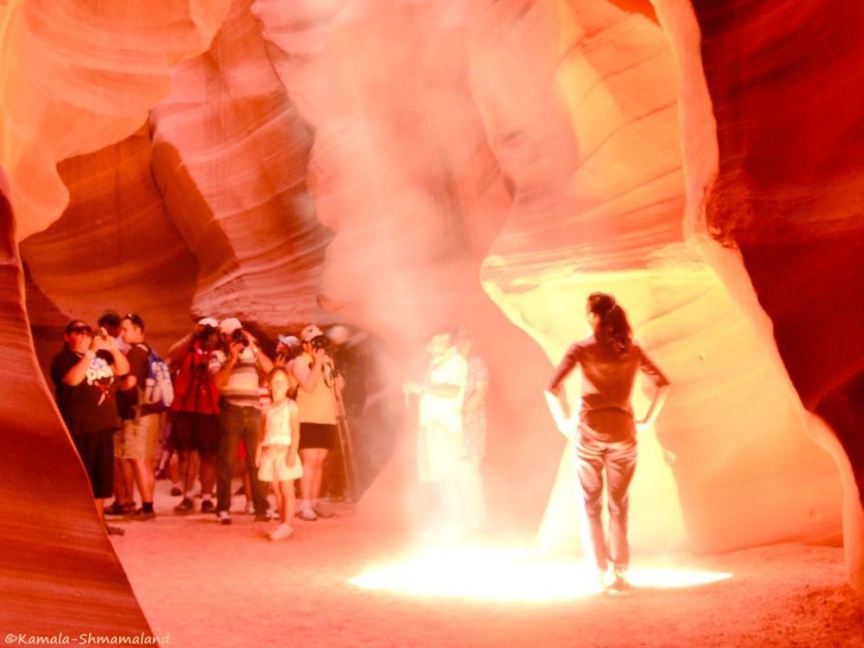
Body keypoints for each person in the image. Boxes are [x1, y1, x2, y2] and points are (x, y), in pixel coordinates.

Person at [546, 292, 670, 593]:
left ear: (592, 316)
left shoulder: (581, 348)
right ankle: (620, 571)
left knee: (591, 504)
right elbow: (663, 384)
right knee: (619, 504)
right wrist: (647, 421)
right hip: (623, 433)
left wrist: (563, 423)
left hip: (589, 432)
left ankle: (600, 571)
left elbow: (551, 388)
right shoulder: (632, 349)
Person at [51, 319, 130, 535]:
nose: (84, 335)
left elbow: (123, 369)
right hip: (81, 427)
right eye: (77, 331)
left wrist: (112, 348)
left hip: (104, 425)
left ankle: (99, 523)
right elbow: (73, 380)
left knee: (101, 478)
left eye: (87, 332)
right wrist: (90, 353)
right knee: (83, 479)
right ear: (67, 336)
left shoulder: (101, 358)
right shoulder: (63, 359)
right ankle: (82, 525)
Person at [404, 329, 469, 536]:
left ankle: (455, 522)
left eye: (431, 343)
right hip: (430, 424)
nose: (428, 347)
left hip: (444, 425)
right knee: (436, 476)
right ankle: (444, 520)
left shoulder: (456, 362)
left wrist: (421, 389)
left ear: (444, 340)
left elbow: (453, 391)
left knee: (447, 475)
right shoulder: (436, 362)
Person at [212, 317, 273, 525]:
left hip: (253, 410)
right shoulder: (218, 355)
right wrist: (232, 358)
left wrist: (254, 346)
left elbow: (270, 370)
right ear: (223, 336)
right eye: (232, 334)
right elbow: (218, 383)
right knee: (227, 462)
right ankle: (223, 508)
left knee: (256, 461)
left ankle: (261, 508)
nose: (236, 337)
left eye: (238, 332)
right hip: (231, 411)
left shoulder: (251, 354)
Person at [165, 317, 222, 514]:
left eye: (213, 332)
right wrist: (192, 335)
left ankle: (206, 498)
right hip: (186, 408)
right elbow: (171, 355)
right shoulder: (189, 349)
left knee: (209, 456)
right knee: (186, 455)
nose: (210, 336)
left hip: (210, 409)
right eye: (207, 332)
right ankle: (188, 496)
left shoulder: (219, 354)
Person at [290, 325, 342, 521]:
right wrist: (318, 361)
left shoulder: (328, 361)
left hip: (327, 417)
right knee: (309, 461)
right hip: (308, 417)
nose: (317, 345)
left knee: (320, 462)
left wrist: (330, 365)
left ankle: (313, 502)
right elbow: (309, 386)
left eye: (319, 340)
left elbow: (339, 386)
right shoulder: (300, 361)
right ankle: (304, 505)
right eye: (313, 342)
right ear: (305, 345)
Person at [117, 313, 161, 520]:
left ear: (138, 330)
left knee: (137, 460)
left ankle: (147, 508)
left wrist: (115, 387)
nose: (121, 333)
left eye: (125, 329)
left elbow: (130, 383)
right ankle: (148, 504)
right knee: (145, 461)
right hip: (150, 413)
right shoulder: (149, 351)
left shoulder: (135, 352)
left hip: (138, 414)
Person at [255, 367, 303, 541]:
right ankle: (282, 522)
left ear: (288, 385)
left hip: (285, 452)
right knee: (276, 490)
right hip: (271, 453)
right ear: (269, 384)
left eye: (282, 381)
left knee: (287, 489)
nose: (279, 384)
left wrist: (292, 452)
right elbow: (262, 432)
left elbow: (296, 432)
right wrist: (259, 451)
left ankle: (288, 525)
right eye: (276, 381)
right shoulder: (266, 408)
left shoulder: (291, 406)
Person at [455, 329, 488, 533]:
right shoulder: (453, 364)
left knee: (471, 474)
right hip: (454, 426)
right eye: (459, 340)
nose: (462, 345)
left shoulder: (476, 364)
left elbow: (480, 394)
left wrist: (459, 412)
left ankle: (477, 523)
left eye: (466, 341)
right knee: (458, 475)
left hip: (471, 425)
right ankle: (462, 522)